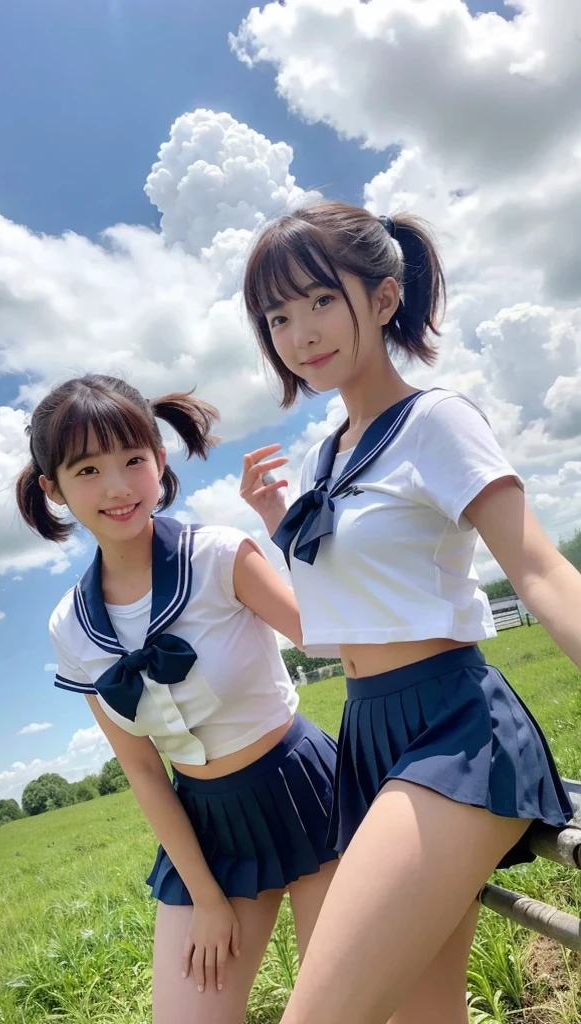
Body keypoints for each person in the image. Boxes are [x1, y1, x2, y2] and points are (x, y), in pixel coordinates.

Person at [239, 201, 578, 1024]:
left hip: (452, 728)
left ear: (385, 298)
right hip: (368, 735)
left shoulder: (436, 420)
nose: (300, 332)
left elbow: (536, 568)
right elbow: (361, 581)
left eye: (322, 300)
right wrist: (278, 519)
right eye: (277, 316)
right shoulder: (331, 453)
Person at [15, 374, 339, 1024]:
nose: (118, 486)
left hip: (309, 794)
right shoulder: (71, 628)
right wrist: (208, 898)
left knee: (346, 1010)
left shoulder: (217, 555)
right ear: (52, 488)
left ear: (160, 461)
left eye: (134, 459)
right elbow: (141, 768)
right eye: (87, 469)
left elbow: (330, 637)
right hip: (207, 830)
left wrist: (284, 521)